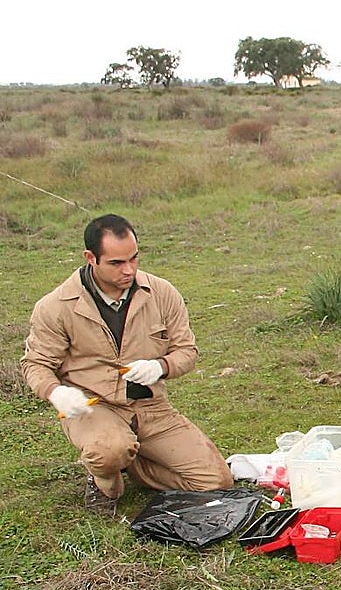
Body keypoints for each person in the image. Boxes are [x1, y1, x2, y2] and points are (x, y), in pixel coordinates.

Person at [21, 214, 234, 514]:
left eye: (133, 259)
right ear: (90, 258)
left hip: (151, 409)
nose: (129, 269)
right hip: (95, 406)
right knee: (108, 450)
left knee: (217, 481)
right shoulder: (55, 307)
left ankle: (135, 466)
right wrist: (55, 392)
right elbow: (36, 364)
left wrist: (161, 366)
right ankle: (105, 480)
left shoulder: (162, 293)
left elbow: (187, 351)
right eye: (117, 263)